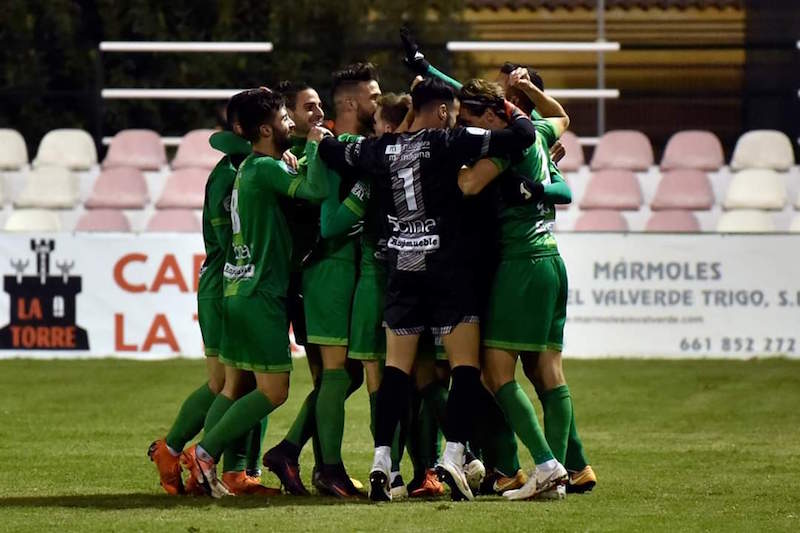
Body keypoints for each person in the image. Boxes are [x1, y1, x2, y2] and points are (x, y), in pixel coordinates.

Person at [318, 77, 536, 502]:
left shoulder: (380, 150)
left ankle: (383, 462)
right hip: (448, 270)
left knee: (396, 372)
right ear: (440, 111)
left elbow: (333, 151)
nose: (454, 117)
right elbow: (521, 137)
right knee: (465, 368)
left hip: (402, 269)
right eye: (452, 110)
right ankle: (454, 456)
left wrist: (319, 138)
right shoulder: (447, 140)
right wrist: (511, 109)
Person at [181, 88, 329, 498]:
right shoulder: (264, 169)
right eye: (284, 118)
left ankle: (204, 458)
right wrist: (315, 149)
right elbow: (314, 192)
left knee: (235, 387)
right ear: (265, 129)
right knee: (274, 391)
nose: (289, 124)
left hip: (238, 288)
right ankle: (204, 453)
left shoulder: (246, 168)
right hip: (262, 292)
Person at [147, 90, 275, 496]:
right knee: (232, 384)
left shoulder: (229, 170)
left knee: (238, 383)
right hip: (230, 282)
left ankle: (192, 456)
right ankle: (198, 457)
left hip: (223, 281)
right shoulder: (240, 174)